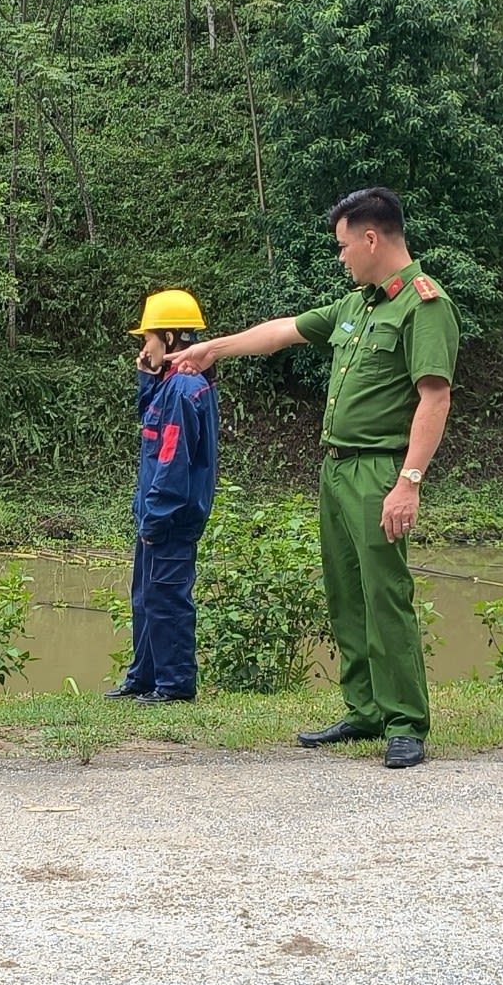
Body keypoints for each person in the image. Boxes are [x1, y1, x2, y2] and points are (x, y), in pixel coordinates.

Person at [171, 187, 454, 770]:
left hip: (380, 469)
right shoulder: (357, 306)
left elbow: (434, 396)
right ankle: (364, 710)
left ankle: (404, 721)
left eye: (344, 246)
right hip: (336, 468)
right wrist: (212, 350)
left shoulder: (423, 305)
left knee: (385, 594)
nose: (341, 257)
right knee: (346, 592)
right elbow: (282, 332)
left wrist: (409, 481)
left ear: (371, 239)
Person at [106, 289, 218, 703]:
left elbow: (172, 461)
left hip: (170, 516)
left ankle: (174, 684)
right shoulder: (171, 385)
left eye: (147, 338)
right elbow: (150, 424)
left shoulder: (184, 389)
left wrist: (155, 517)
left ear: (169, 338)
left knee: (167, 598)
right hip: (156, 513)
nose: (143, 346)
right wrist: (147, 377)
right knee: (146, 597)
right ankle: (144, 676)